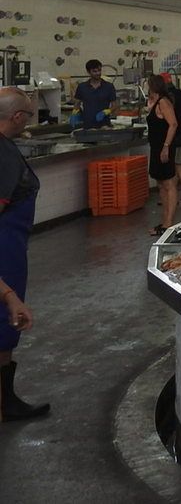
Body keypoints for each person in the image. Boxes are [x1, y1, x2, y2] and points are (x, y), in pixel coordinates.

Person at [0, 88, 49, 420]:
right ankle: (4, 404)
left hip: (12, 245)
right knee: (5, 323)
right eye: (28, 116)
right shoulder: (2, 155)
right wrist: (8, 293)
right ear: (17, 117)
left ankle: (5, 401)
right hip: (4, 250)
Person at [146, 75, 180, 236]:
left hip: (163, 147)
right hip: (156, 147)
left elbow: (173, 124)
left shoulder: (163, 102)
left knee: (168, 183)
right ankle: (164, 220)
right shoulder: (155, 102)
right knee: (160, 183)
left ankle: (169, 223)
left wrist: (166, 147)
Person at [73, 59, 116, 126]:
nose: (98, 73)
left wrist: (106, 112)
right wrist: (74, 114)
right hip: (87, 124)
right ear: (88, 72)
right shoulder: (82, 87)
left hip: (104, 124)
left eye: (99, 70)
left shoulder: (109, 86)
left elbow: (114, 106)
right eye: (94, 71)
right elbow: (77, 104)